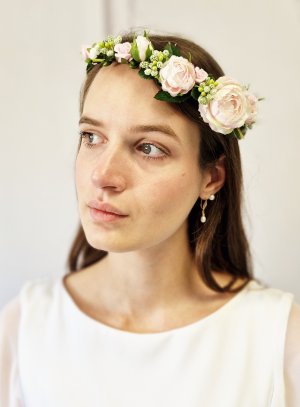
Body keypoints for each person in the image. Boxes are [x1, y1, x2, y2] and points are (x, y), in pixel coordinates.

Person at [0, 30, 299, 406]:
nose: (102, 176)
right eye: (91, 136)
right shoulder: (24, 329)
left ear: (212, 177)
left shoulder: (277, 340)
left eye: (149, 148)